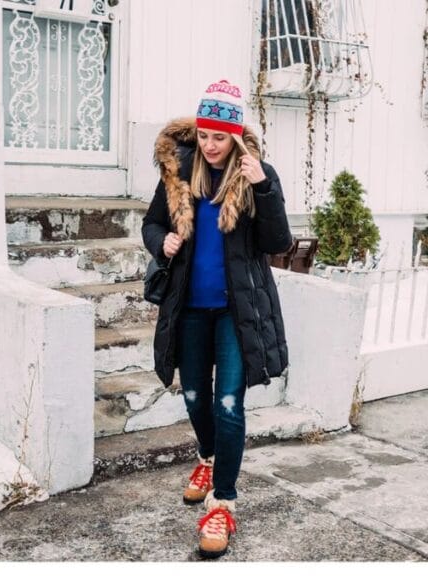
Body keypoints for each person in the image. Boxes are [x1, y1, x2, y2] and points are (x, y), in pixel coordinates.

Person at [141, 80, 292, 559]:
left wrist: (263, 186)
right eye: (204, 135)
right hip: (187, 307)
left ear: (236, 137)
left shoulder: (255, 175)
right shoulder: (179, 172)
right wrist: (160, 242)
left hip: (235, 311)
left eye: (219, 137)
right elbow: (151, 223)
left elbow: (277, 242)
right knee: (191, 394)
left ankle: (222, 502)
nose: (209, 145)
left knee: (228, 401)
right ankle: (208, 457)